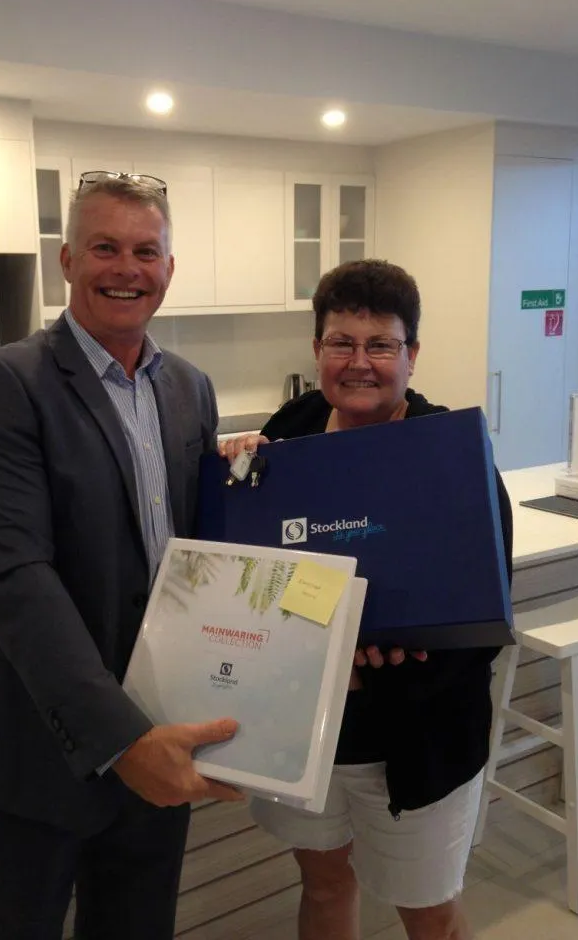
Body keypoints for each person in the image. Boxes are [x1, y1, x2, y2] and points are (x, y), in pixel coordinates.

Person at [0, 171, 242, 940]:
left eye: (146, 251)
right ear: (68, 260)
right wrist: (121, 739)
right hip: (40, 747)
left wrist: (255, 483)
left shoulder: (191, 389)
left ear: (169, 268)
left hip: (160, 728)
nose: (126, 269)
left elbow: (196, 557)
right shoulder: (4, 382)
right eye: (105, 247)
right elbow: (16, 579)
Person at [221, 260, 513, 940]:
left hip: (415, 740)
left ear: (412, 354)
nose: (359, 363)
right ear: (316, 349)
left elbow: (483, 623)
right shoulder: (290, 429)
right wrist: (240, 472)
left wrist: (387, 664)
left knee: (430, 916)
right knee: (324, 886)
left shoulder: (452, 456)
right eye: (340, 343)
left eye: (380, 344)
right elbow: (247, 567)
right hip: (308, 733)